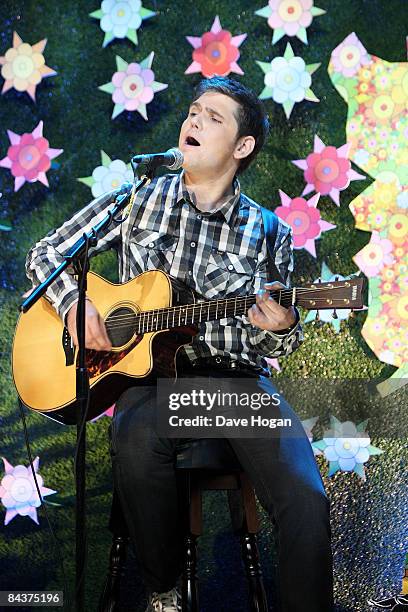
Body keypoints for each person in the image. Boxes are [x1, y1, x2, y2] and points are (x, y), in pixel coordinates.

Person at [26, 77, 333, 612]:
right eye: (194, 112)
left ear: (243, 148)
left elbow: (281, 349)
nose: (194, 122)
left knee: (306, 497)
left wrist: (280, 326)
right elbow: (47, 252)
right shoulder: (139, 196)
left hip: (237, 385)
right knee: (139, 434)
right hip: (155, 381)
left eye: (214, 118)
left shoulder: (267, 230)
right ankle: (164, 591)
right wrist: (76, 302)